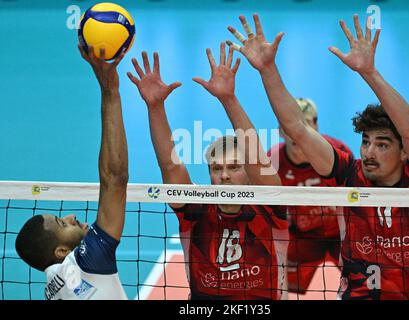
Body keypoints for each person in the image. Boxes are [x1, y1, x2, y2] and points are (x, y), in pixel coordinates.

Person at [227, 13, 409, 300]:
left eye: (382, 145)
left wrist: (370, 73)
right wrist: (267, 69)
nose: (368, 151)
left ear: (404, 152)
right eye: (366, 142)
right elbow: (297, 129)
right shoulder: (349, 173)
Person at [127, 44, 289, 300]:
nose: (224, 175)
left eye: (234, 167)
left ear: (248, 173)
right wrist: (155, 107)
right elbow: (170, 166)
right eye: (216, 168)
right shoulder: (195, 211)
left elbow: (258, 161)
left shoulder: (271, 209)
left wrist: (228, 99)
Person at [15, 45, 129, 300]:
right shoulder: (86, 263)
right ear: (60, 250)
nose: (71, 216)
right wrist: (110, 90)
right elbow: (115, 179)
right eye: (61, 223)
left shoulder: (53, 288)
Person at [268, 97, 353, 293]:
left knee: (364, 283)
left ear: (316, 125)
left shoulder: (337, 151)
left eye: (305, 124)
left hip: (341, 234)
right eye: (290, 125)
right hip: (301, 237)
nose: (297, 133)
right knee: (278, 286)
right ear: (280, 130)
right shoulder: (272, 162)